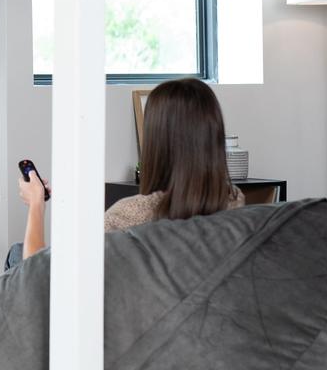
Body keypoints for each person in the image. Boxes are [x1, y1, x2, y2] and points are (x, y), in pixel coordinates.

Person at [14, 78, 244, 265]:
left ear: (156, 142)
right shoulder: (233, 202)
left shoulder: (128, 215)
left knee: (17, 254)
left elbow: (36, 280)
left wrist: (36, 203)